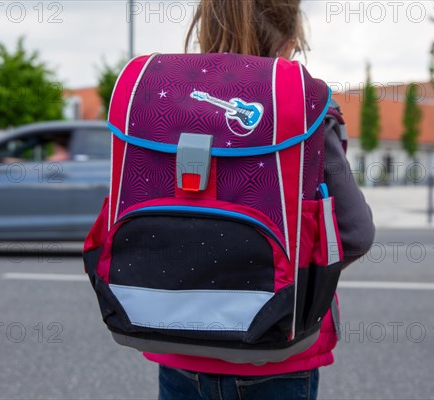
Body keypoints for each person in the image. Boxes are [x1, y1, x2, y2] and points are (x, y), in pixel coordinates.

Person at [150, 1, 376, 398]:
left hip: (175, 341)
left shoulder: (159, 102)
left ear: (205, 29)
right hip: (277, 349)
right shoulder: (305, 106)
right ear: (289, 44)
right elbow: (354, 232)